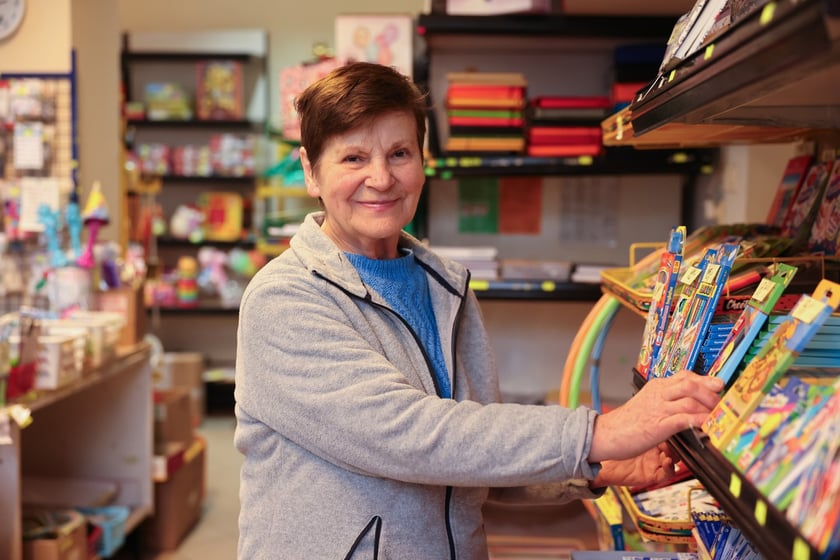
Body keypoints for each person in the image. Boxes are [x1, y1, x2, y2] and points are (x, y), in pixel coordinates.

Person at [234, 61, 724, 559]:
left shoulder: (446, 285)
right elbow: (412, 437)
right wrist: (598, 433)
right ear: (311, 171)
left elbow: (469, 457)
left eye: (399, 153)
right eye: (353, 158)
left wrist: (591, 467)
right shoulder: (284, 300)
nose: (380, 178)